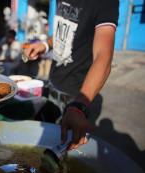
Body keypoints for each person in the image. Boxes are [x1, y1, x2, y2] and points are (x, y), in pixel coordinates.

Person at [25, 0, 119, 151]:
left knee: (62, 153)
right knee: (42, 146)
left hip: (75, 95)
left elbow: (103, 57)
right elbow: (64, 28)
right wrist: (45, 45)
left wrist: (79, 106)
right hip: (53, 84)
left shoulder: (104, 3)